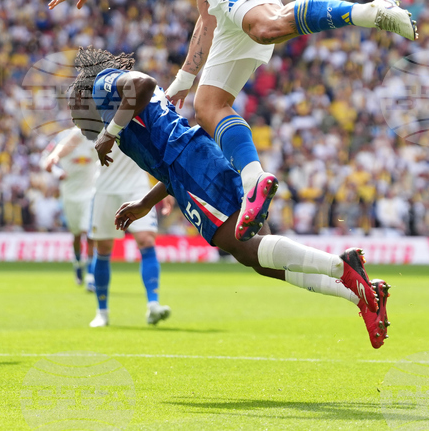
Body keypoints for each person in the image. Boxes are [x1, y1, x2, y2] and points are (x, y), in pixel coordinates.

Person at [49, 0, 418, 241]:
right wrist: (183, 82)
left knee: (266, 26)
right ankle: (254, 179)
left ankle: (369, 10)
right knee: (209, 106)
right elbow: (207, 18)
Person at [66, 46, 389, 348]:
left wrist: (110, 133)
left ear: (84, 96)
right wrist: (145, 203)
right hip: (190, 161)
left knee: (242, 246)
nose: (77, 123)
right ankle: (361, 296)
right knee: (259, 259)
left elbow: (143, 82)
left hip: (191, 163)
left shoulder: (102, 85)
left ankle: (341, 267)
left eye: (75, 112)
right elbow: (165, 161)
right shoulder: (120, 116)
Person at [86, 146, 171, 328]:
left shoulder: (141, 122)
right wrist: (55, 155)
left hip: (137, 187)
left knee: (147, 240)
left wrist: (165, 183)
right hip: (105, 188)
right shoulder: (91, 127)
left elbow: (153, 149)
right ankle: (102, 312)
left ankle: (153, 305)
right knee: (103, 247)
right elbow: (76, 140)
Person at [40, 126, 98, 287]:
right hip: (70, 193)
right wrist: (58, 173)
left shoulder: (93, 135)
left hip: (90, 192)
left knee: (90, 233)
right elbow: (44, 160)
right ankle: (78, 263)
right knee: (77, 234)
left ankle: (91, 275)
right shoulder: (62, 138)